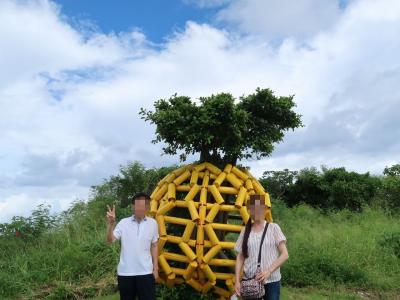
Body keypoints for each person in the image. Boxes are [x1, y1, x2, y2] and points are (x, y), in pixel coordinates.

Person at [234, 194, 289, 300]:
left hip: (271, 280)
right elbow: (240, 257)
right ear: (249, 210)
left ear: (264, 209)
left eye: (259, 207)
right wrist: (237, 280)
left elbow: (285, 254)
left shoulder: (273, 228)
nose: (257, 211)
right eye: (253, 208)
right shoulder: (245, 231)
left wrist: (268, 271)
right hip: (250, 281)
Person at [106, 192, 159, 300]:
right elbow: (110, 241)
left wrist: (156, 269)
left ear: (147, 207)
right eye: (138, 204)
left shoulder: (153, 223)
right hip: (126, 273)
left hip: (146, 273)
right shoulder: (123, 223)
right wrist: (111, 224)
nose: (141, 207)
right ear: (133, 206)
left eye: (144, 204)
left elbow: (154, 246)